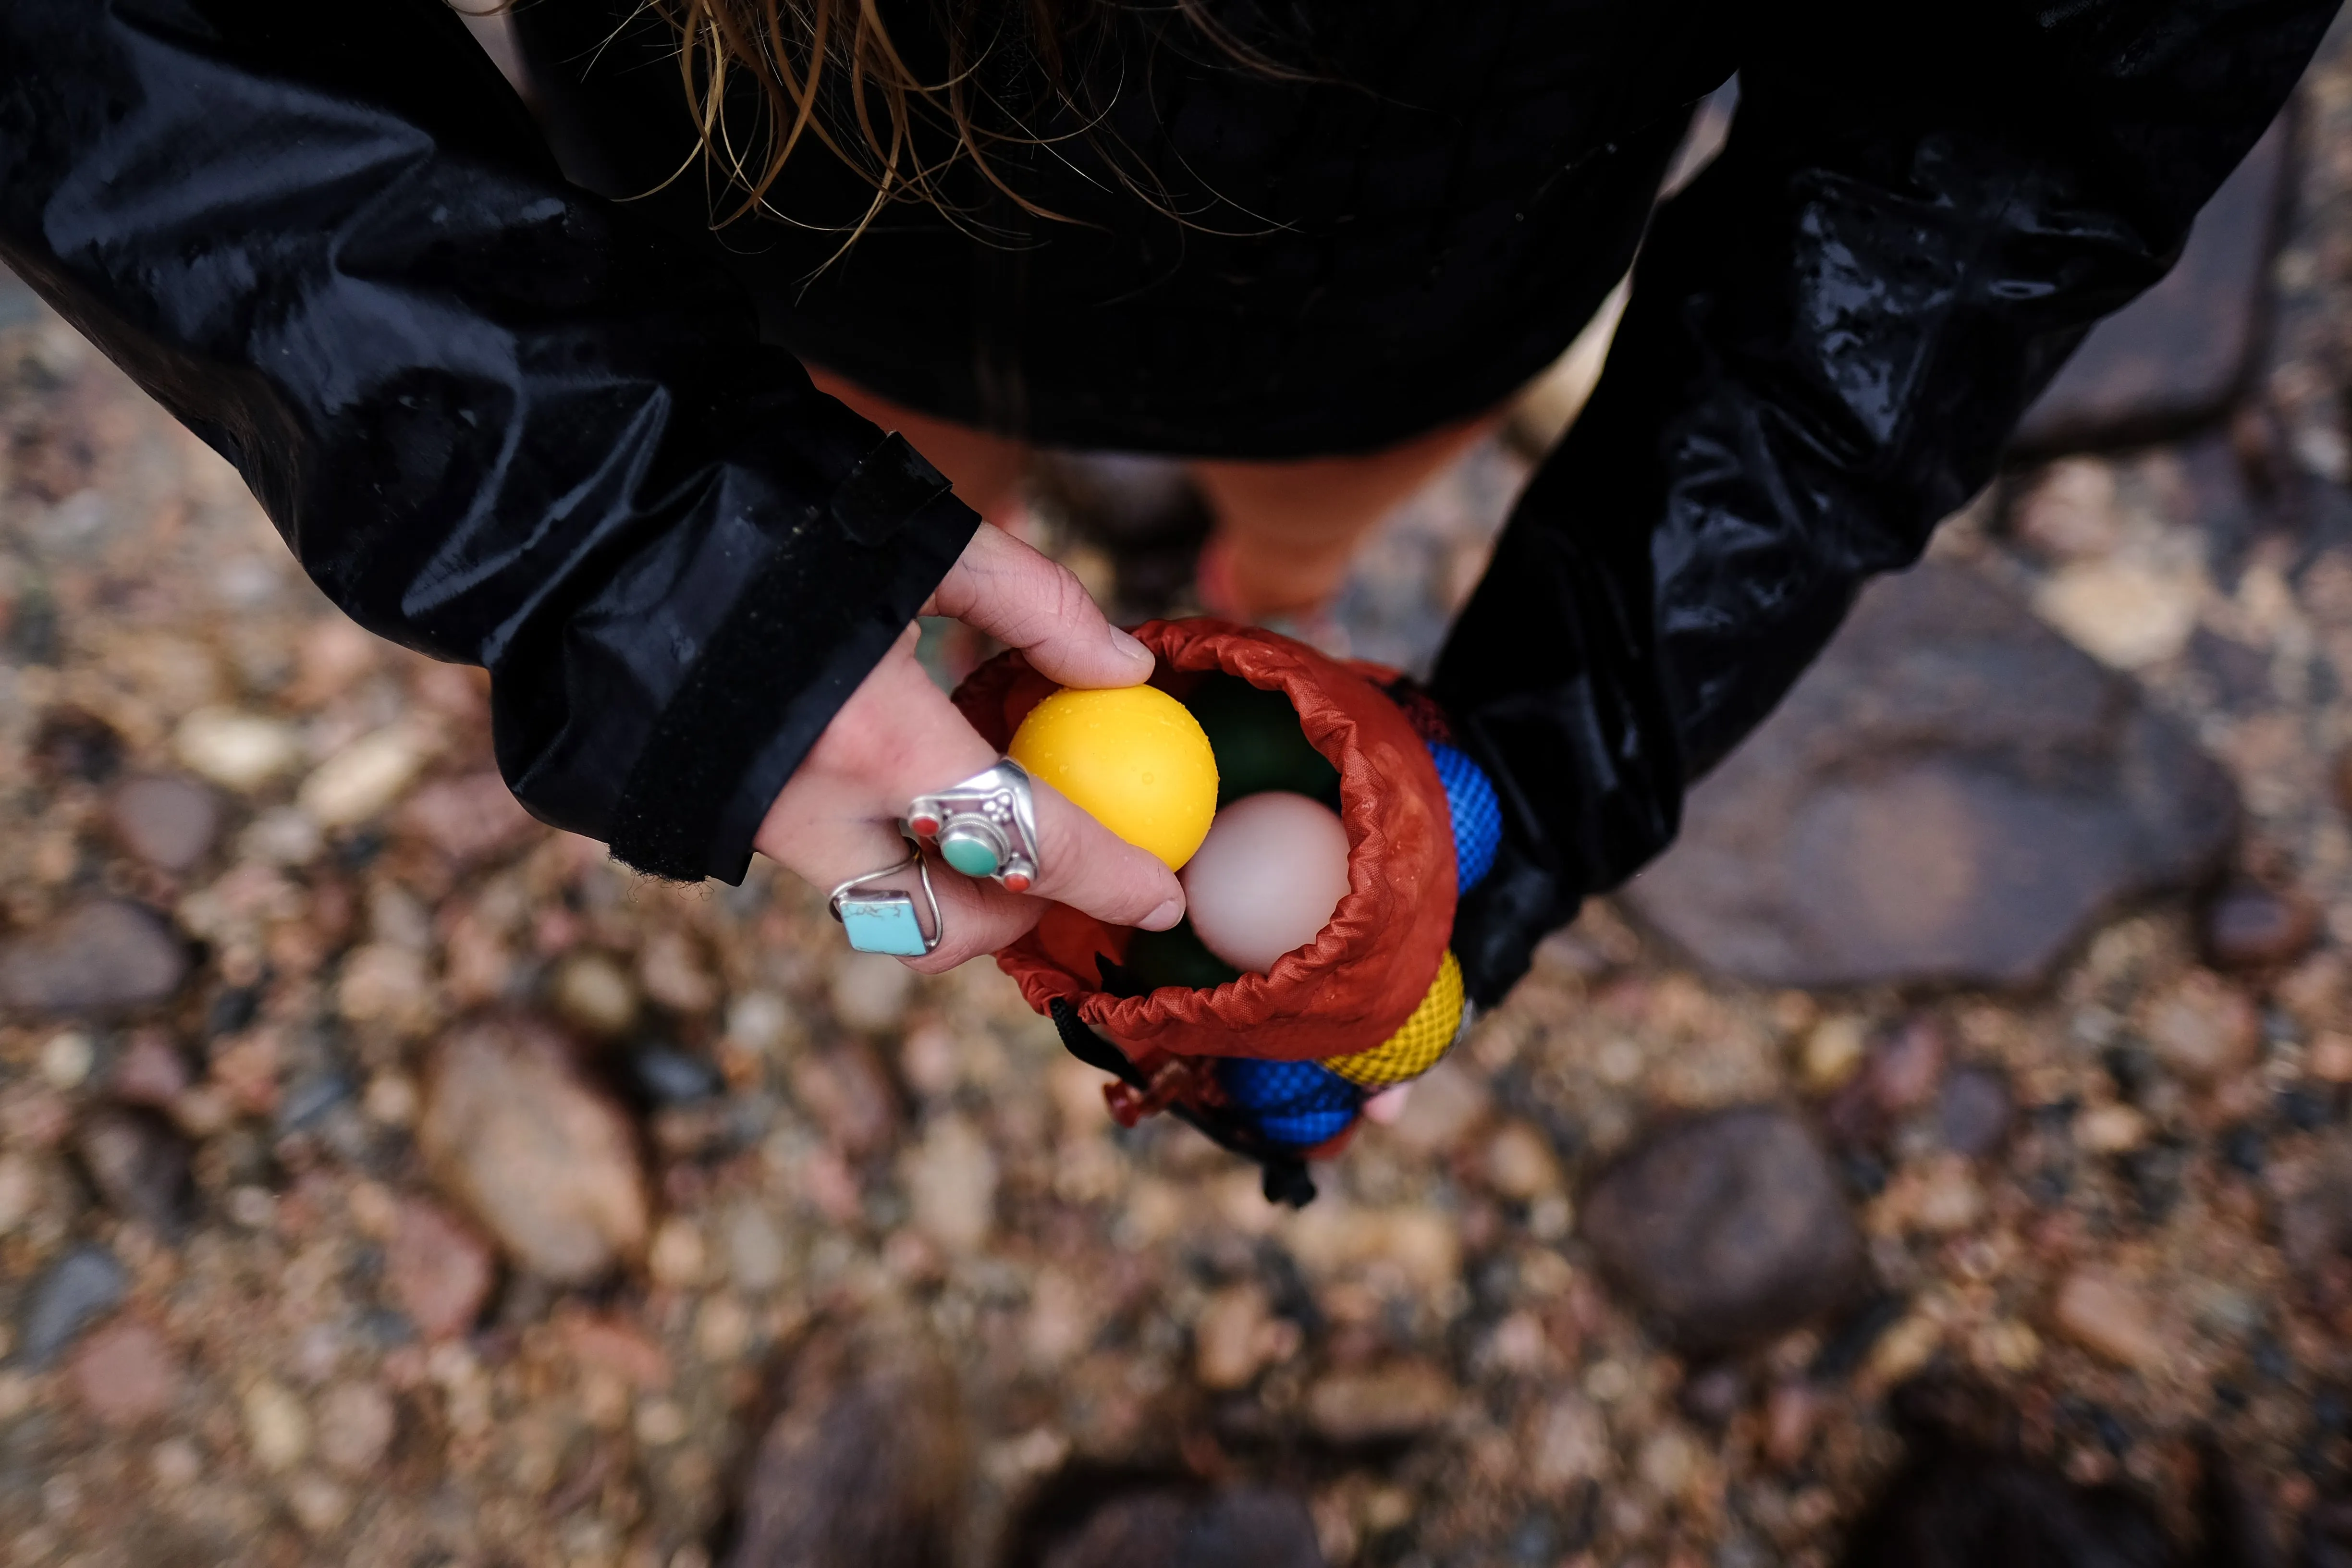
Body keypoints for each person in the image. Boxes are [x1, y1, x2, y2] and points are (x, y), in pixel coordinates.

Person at [0, 0, 2334, 1010]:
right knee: (917, 490)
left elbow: (2005, 123)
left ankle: (1252, 588)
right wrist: (633, 511)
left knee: (1291, 535)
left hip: (1380, 301)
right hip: (750, 211)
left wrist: (1545, 748)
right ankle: (1126, 577)